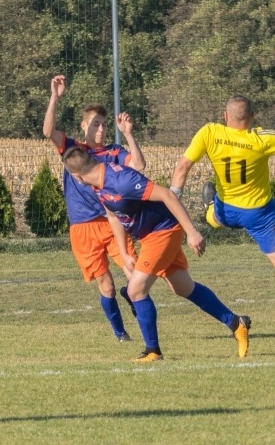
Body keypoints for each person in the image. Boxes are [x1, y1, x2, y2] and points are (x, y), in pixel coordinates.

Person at [62, 146, 251, 362]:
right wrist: (124, 253)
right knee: (182, 287)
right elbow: (113, 216)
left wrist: (192, 232)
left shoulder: (121, 179)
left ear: (76, 176)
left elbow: (167, 195)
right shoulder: (98, 185)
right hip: (150, 235)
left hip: (164, 230)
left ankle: (153, 351)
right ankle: (237, 323)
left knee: (135, 290)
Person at [170, 96, 275, 352]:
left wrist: (173, 199)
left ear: (225, 116)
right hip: (260, 215)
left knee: (215, 212)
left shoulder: (210, 132)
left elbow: (183, 166)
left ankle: (210, 209)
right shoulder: (260, 139)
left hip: (228, 211)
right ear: (253, 117)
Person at [43, 74, 147, 343]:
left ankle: (140, 312)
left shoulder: (113, 151)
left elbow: (139, 165)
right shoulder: (73, 150)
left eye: (103, 125)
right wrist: (55, 97)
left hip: (113, 224)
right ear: (84, 126)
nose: (100, 130)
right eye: (95, 125)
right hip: (83, 229)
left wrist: (129, 134)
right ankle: (120, 332)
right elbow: (47, 132)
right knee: (107, 285)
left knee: (134, 274)